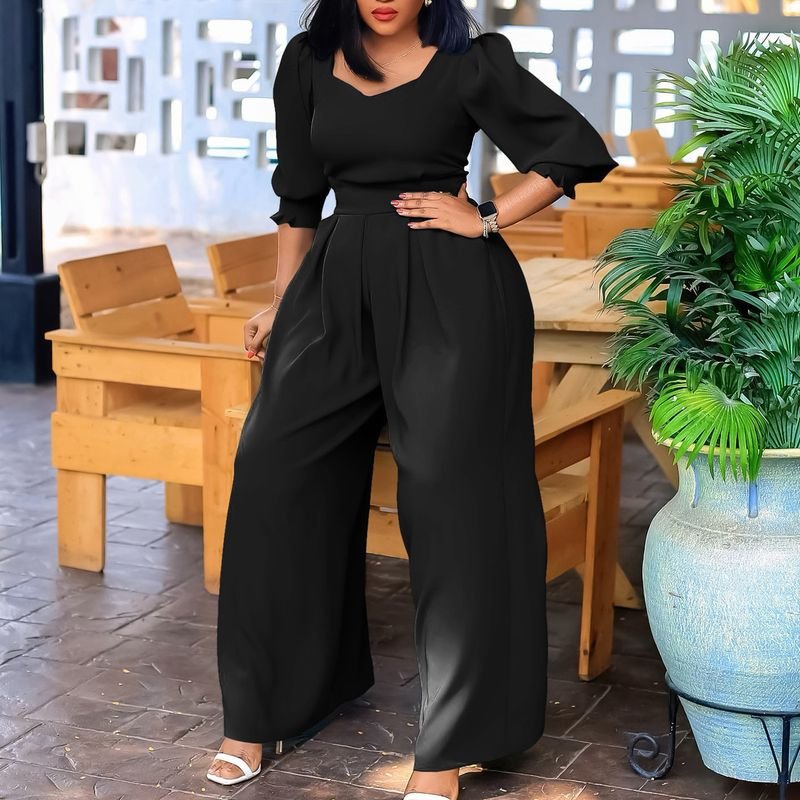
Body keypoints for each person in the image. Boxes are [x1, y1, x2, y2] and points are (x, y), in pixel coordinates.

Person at [207, 0, 618, 797]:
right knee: (270, 473)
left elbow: (572, 146)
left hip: (450, 290)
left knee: (452, 495)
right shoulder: (308, 61)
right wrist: (283, 303)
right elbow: (299, 195)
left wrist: (488, 217)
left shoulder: (472, 59)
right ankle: (264, 706)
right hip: (335, 284)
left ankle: (450, 746)